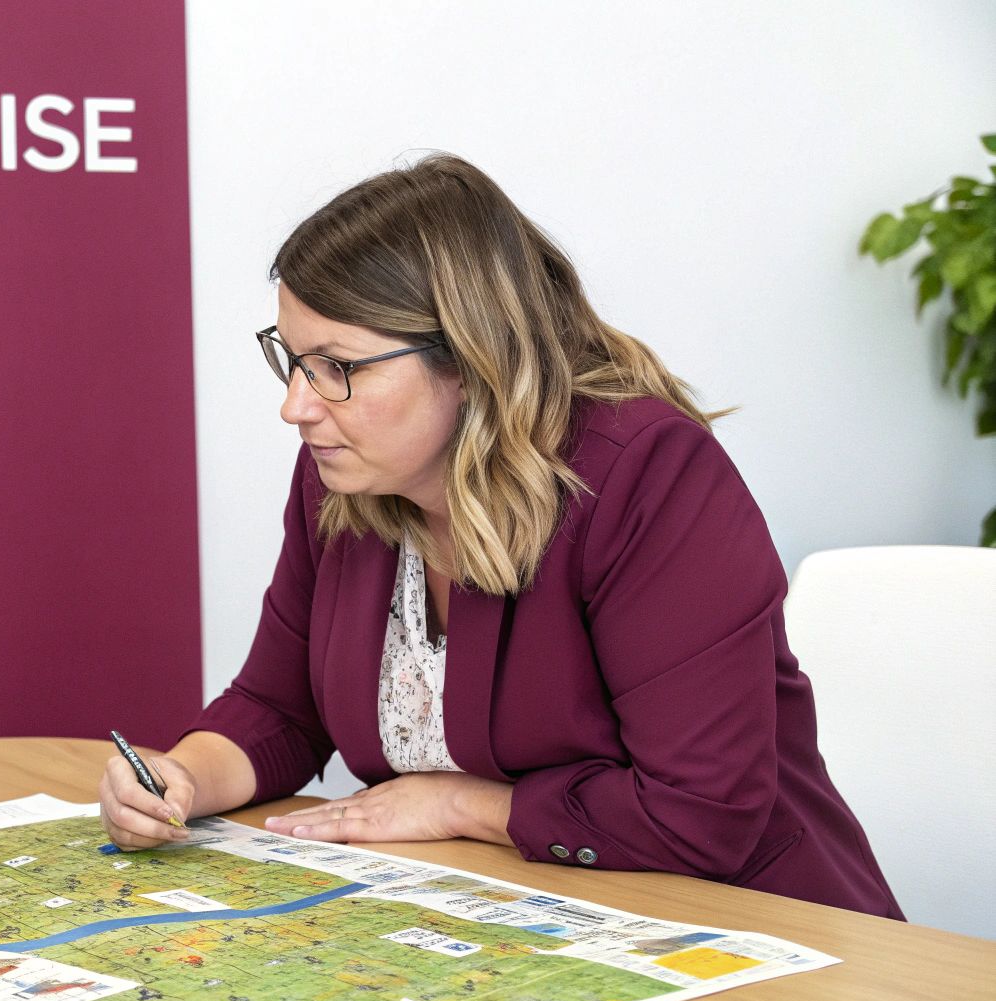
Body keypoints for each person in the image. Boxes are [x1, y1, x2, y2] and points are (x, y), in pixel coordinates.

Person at [99, 154, 902, 918]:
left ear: (469, 360)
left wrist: (462, 804)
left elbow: (700, 813)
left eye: (338, 366)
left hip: (757, 931)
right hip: (512, 923)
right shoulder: (344, 479)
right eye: (293, 361)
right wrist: (180, 778)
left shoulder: (648, 474)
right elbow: (282, 706)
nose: (298, 406)